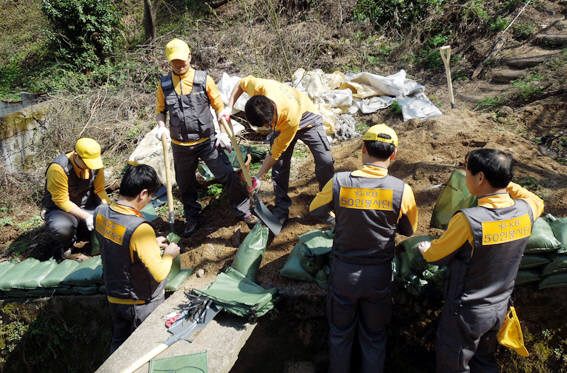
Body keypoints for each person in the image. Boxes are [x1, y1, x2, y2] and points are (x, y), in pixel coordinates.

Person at [418, 149, 544, 373]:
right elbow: (535, 199)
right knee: (484, 362)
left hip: (467, 313)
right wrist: (504, 182)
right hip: (499, 308)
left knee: (454, 365)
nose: (464, 176)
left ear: (480, 178)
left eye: (467, 171)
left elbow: (435, 255)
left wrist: (426, 248)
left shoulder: (469, 220)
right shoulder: (526, 211)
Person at [309, 124, 418, 373]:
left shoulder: (339, 182)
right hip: (378, 274)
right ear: (393, 156)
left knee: (340, 335)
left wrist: (340, 217)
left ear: (363, 150)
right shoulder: (402, 190)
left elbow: (315, 209)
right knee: (374, 337)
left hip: (344, 273)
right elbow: (409, 230)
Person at [155, 38, 257, 237]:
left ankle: (244, 210)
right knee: (185, 186)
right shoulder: (165, 84)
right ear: (169, 62)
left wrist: (221, 130)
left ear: (190, 57)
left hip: (208, 141)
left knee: (227, 175)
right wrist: (161, 127)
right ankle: (193, 219)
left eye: (182, 60)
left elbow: (218, 106)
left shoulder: (203, 80)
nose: (179, 65)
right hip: (180, 145)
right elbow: (160, 111)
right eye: (175, 62)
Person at [94, 164, 181, 354]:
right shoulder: (140, 228)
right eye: (150, 197)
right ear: (142, 194)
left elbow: (117, 243)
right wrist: (169, 255)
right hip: (140, 305)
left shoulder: (100, 213)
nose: (148, 201)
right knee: (145, 351)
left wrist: (149, 244)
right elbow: (158, 273)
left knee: (118, 347)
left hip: (114, 297)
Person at [227, 75, 335, 224]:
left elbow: (276, 152)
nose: (264, 129)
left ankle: (326, 204)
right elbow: (241, 83)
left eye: (265, 126)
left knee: (325, 161)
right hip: (281, 120)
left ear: (269, 121)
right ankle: (281, 208)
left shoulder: (289, 118)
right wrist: (229, 107)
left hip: (306, 116)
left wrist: (258, 175)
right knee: (280, 166)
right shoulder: (260, 87)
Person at [41, 137, 111, 258]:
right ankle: (68, 243)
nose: (90, 167)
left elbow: (100, 190)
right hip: (62, 211)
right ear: (75, 155)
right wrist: (87, 217)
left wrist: (106, 208)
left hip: (87, 206)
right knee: (61, 228)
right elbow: (61, 200)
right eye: (87, 163)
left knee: (110, 216)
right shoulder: (58, 168)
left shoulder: (96, 165)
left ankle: (85, 232)